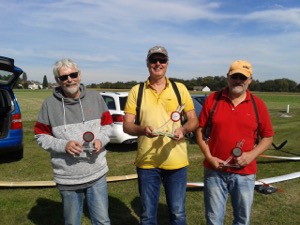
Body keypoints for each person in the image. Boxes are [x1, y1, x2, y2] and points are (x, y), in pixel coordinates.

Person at [123, 45, 198, 225]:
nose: (158, 63)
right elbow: (127, 125)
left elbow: (194, 120)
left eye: (162, 60)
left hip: (177, 163)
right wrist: (142, 130)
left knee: (178, 214)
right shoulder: (137, 90)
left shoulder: (180, 89)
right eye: (153, 60)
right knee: (148, 216)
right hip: (147, 163)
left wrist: (183, 130)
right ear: (147, 63)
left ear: (167, 63)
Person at [34, 58, 112, 225]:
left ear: (79, 75)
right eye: (64, 77)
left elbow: (108, 126)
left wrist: (101, 140)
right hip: (67, 178)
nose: (69, 79)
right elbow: (40, 135)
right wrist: (63, 145)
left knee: (102, 221)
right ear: (58, 81)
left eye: (73, 74)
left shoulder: (95, 98)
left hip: (96, 174)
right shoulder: (49, 105)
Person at [196, 60, 274, 225]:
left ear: (250, 80)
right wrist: (209, 157)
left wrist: (251, 155)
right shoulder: (213, 99)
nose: (238, 80)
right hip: (215, 171)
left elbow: (268, 137)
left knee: (242, 220)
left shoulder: (258, 105)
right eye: (235, 76)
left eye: (243, 77)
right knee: (213, 220)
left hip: (245, 173)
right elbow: (200, 131)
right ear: (227, 77)